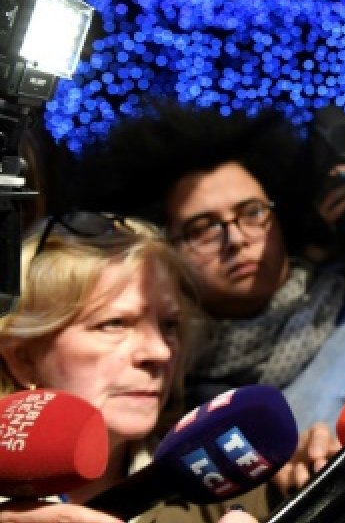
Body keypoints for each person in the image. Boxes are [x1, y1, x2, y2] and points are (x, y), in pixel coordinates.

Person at [74, 105, 345, 434]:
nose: (236, 239)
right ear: (165, 249)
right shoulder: (150, 369)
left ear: (282, 218)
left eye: (252, 213)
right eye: (203, 228)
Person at [0, 212, 269, 522]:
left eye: (169, 325)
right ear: (22, 359)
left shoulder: (220, 484)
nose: (160, 352)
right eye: (114, 324)